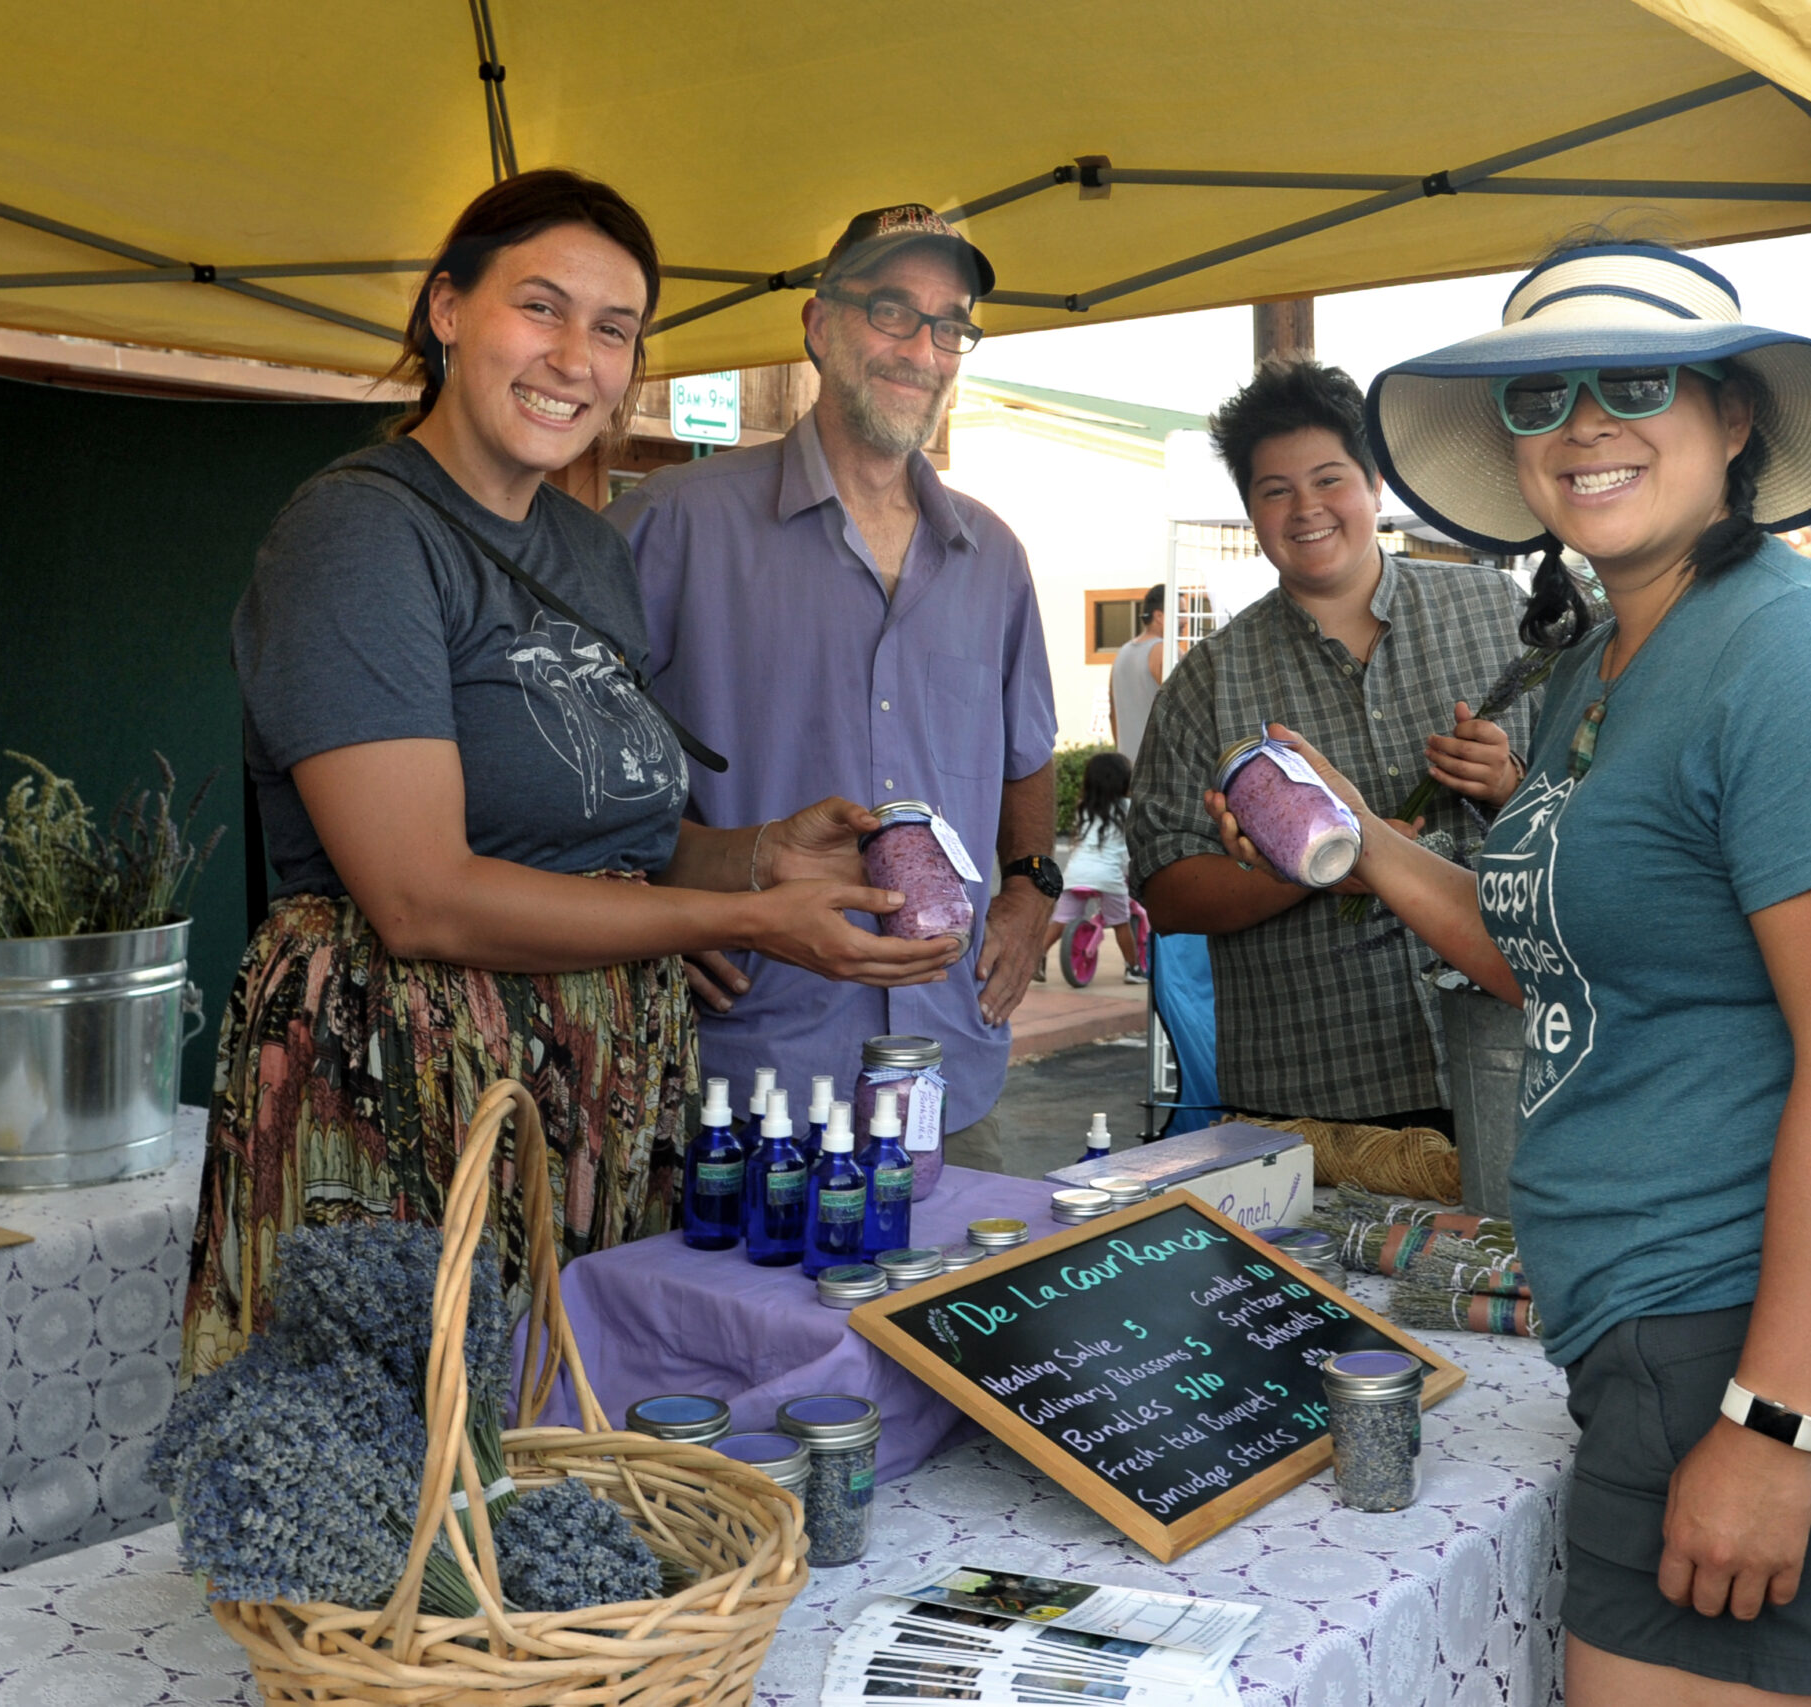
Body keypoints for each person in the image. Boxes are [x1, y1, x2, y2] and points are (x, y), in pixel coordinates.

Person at [1207, 239, 1811, 1704]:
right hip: (1655, 1328)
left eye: (1635, 384)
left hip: (1755, 1331)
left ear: (1735, 418)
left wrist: (1773, 1424)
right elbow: (1550, 960)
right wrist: (1362, 836)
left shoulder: (1795, 659)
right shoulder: (1609, 661)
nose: (1581, 425)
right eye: (1539, 395)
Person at [185, 171, 958, 1380]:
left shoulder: (590, 552)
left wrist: (757, 854)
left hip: (597, 1097)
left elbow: (608, 844)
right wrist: (748, 915)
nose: (574, 358)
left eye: (613, 330)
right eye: (539, 309)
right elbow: (420, 895)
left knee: (583, 1454)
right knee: (412, 1475)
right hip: (406, 1082)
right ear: (447, 309)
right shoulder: (357, 534)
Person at [613, 206, 1060, 1170]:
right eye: (890, 310)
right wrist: (642, 909)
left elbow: (1027, 759)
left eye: (950, 324)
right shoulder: (675, 524)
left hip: (952, 1075)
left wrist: (1030, 892)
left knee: (950, 1323)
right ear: (817, 326)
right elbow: (563, 763)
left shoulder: (994, 557)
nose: (922, 348)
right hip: (740, 1084)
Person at [1126, 359, 1531, 1133]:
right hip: (1315, 1101)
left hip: (1513, 1065)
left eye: (1329, 479)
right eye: (1275, 491)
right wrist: (1310, 868)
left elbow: (1602, 809)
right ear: (1251, 511)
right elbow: (1165, 891)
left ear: (1375, 485)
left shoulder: (1495, 613)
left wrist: (1511, 783)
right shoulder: (1208, 680)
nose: (1306, 508)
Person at [1040, 752, 1145, 982]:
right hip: (1108, 876)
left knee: (1060, 921)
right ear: (1125, 781)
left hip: (1075, 873)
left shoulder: (1083, 808)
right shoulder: (1129, 807)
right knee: (1120, 923)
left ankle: (1038, 958)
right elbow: (1131, 844)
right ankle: (1133, 969)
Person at [1109, 584, 1167, 764]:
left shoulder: (1122, 653)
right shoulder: (1166, 652)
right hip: (1159, 768)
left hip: (1128, 767)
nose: (1185, 620)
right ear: (1159, 616)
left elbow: (1113, 713)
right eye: (1180, 613)